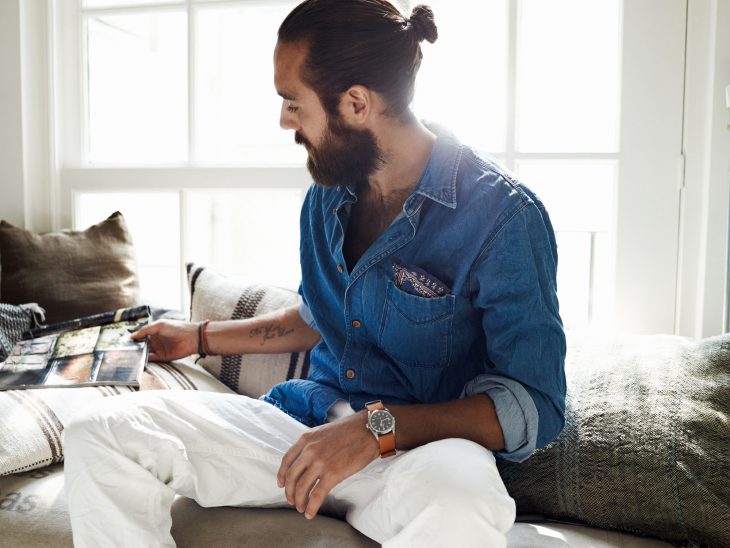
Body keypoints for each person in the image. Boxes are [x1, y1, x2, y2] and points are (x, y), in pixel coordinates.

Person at [62, 1, 566, 546]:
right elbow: (322, 314)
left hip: (418, 458)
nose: (285, 121)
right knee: (100, 433)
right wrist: (198, 337)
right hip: (301, 431)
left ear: (355, 103)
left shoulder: (503, 216)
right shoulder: (327, 197)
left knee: (464, 501)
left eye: (292, 101)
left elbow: (535, 402)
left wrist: (377, 429)